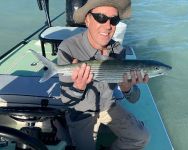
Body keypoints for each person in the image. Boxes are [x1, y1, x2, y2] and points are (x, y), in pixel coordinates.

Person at [57, 0, 150, 149]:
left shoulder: (118, 50)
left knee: (141, 137)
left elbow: (134, 99)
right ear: (87, 19)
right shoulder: (68, 48)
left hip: (109, 106)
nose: (108, 25)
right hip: (81, 112)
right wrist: (79, 87)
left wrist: (127, 89)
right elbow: (67, 102)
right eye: (101, 17)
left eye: (114, 20)